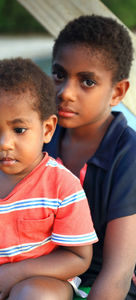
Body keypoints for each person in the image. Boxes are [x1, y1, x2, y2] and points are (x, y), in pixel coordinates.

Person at [0, 58, 98, 300]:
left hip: (43, 284)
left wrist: (17, 272)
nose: (4, 144)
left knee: (30, 293)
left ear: (47, 129)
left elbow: (79, 257)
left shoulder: (61, 184)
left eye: (19, 130)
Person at [44, 15, 136, 299]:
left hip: (99, 284)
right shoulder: (39, 136)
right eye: (59, 75)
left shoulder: (127, 154)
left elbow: (118, 271)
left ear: (117, 92)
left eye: (87, 82)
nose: (65, 93)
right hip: (40, 269)